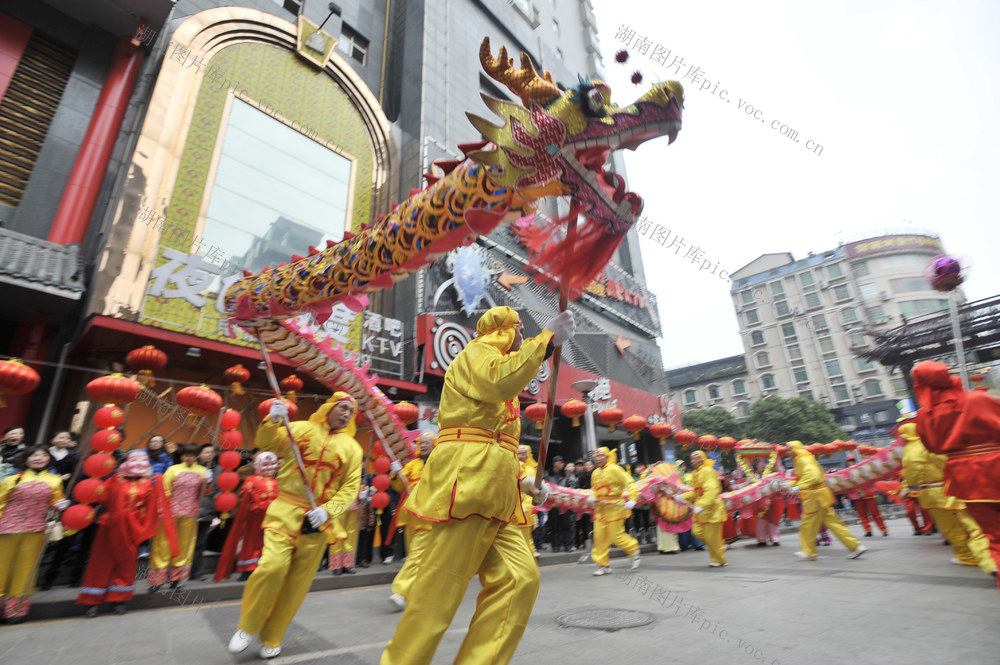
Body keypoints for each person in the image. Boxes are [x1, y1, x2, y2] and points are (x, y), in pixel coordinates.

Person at [380, 305, 573, 665]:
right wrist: (545, 340)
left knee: (520, 580)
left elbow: (496, 444)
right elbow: (497, 382)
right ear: (506, 330)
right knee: (437, 597)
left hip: (497, 496)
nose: (521, 336)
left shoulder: (501, 370)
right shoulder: (479, 353)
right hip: (467, 490)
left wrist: (526, 481)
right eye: (519, 329)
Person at [228, 392, 362, 659]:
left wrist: (328, 511)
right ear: (329, 407)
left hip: (318, 521)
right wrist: (273, 421)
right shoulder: (299, 428)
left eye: (351, 411)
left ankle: (273, 636)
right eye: (342, 408)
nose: (346, 414)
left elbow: (350, 488)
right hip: (285, 510)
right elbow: (266, 443)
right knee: (271, 567)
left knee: (296, 585)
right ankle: (248, 626)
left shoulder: (353, 449)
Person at [912, 361, 1000, 591]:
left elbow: (932, 447)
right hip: (995, 462)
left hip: (965, 476)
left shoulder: (925, 415)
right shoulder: (977, 399)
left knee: (994, 536)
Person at [76, 451, 174, 616]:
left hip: (132, 527)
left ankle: (119, 599)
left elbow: (150, 508)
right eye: (133, 460)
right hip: (109, 525)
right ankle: (92, 601)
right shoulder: (115, 479)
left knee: (126, 564)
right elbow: (103, 498)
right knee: (101, 562)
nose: (137, 464)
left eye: (142, 461)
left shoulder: (149, 483)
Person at [898, 420, 994, 575]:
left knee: (951, 528)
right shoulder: (935, 440)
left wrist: (909, 486)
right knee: (973, 524)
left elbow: (912, 468)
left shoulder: (912, 448)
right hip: (954, 487)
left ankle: (966, 556)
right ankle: (988, 555)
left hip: (933, 492)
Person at [0, 446, 69, 622]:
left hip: (36, 530)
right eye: (34, 455)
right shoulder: (13, 479)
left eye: (43, 455)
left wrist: (60, 504)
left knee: (25, 570)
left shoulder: (54, 480)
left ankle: (15, 610)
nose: (39, 458)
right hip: (7, 528)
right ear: (26, 459)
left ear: (49, 459)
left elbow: (55, 500)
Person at [785, 441, 866, 561]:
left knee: (808, 524)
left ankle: (808, 551)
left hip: (813, 497)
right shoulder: (804, 459)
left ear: (795, 449)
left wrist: (798, 487)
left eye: (789, 449)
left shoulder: (802, 460)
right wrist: (790, 485)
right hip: (820, 496)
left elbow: (814, 476)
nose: (787, 452)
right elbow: (805, 477)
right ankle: (856, 546)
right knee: (834, 523)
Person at [147, 443, 208, 591]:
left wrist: (208, 482)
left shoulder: (203, 471)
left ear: (197, 456)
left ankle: (176, 579)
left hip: (190, 514)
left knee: (184, 546)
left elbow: (204, 493)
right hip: (170, 513)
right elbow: (165, 490)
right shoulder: (173, 470)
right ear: (182, 456)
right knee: (163, 545)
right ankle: (157, 581)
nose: (189, 458)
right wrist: (162, 510)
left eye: (193, 455)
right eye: (187, 455)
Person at [388, 431, 436, 610]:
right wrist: (395, 474)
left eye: (426, 442)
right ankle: (419, 593)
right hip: (411, 516)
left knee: (416, 557)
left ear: (433, 444)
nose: (422, 445)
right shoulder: (412, 465)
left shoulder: (439, 463)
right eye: (420, 443)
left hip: (429, 516)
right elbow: (399, 486)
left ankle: (400, 592)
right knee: (415, 557)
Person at [215, 451, 280, 582]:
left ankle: (263, 568)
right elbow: (249, 497)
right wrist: (266, 503)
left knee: (267, 544)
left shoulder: (276, 482)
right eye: (265, 465)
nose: (268, 468)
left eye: (272, 465)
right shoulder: (251, 480)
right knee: (250, 543)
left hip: (272, 519)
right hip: (254, 518)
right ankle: (247, 569)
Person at [588, 446, 640, 576]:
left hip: (615, 507)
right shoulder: (595, 472)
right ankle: (603, 565)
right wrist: (592, 497)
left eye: (601, 456)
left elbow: (630, 483)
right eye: (596, 457)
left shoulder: (615, 469)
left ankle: (633, 549)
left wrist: (633, 499)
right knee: (599, 538)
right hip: (601, 510)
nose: (598, 459)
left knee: (615, 537)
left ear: (607, 456)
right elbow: (595, 489)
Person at [678, 450, 728, 567]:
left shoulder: (708, 471)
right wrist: (682, 496)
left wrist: (701, 505)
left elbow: (712, 490)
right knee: (696, 532)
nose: (692, 461)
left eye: (695, 458)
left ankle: (719, 560)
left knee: (711, 537)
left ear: (701, 459)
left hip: (712, 509)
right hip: (701, 511)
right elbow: (696, 492)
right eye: (691, 459)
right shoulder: (696, 473)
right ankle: (719, 548)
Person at [545, 456, 575, 552]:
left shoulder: (566, 475)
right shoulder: (547, 475)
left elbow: (571, 487)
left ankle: (568, 545)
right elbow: (544, 488)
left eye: (563, 462)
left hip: (564, 505)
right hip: (553, 505)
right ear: (554, 463)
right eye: (560, 462)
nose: (562, 464)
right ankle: (555, 546)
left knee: (566, 525)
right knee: (554, 526)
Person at [574, 459, 592, 550]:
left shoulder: (596, 474)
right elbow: (578, 489)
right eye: (586, 465)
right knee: (583, 523)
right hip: (584, 503)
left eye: (590, 465)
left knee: (593, 523)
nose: (588, 467)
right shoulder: (581, 477)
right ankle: (585, 542)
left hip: (595, 502)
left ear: (592, 466)